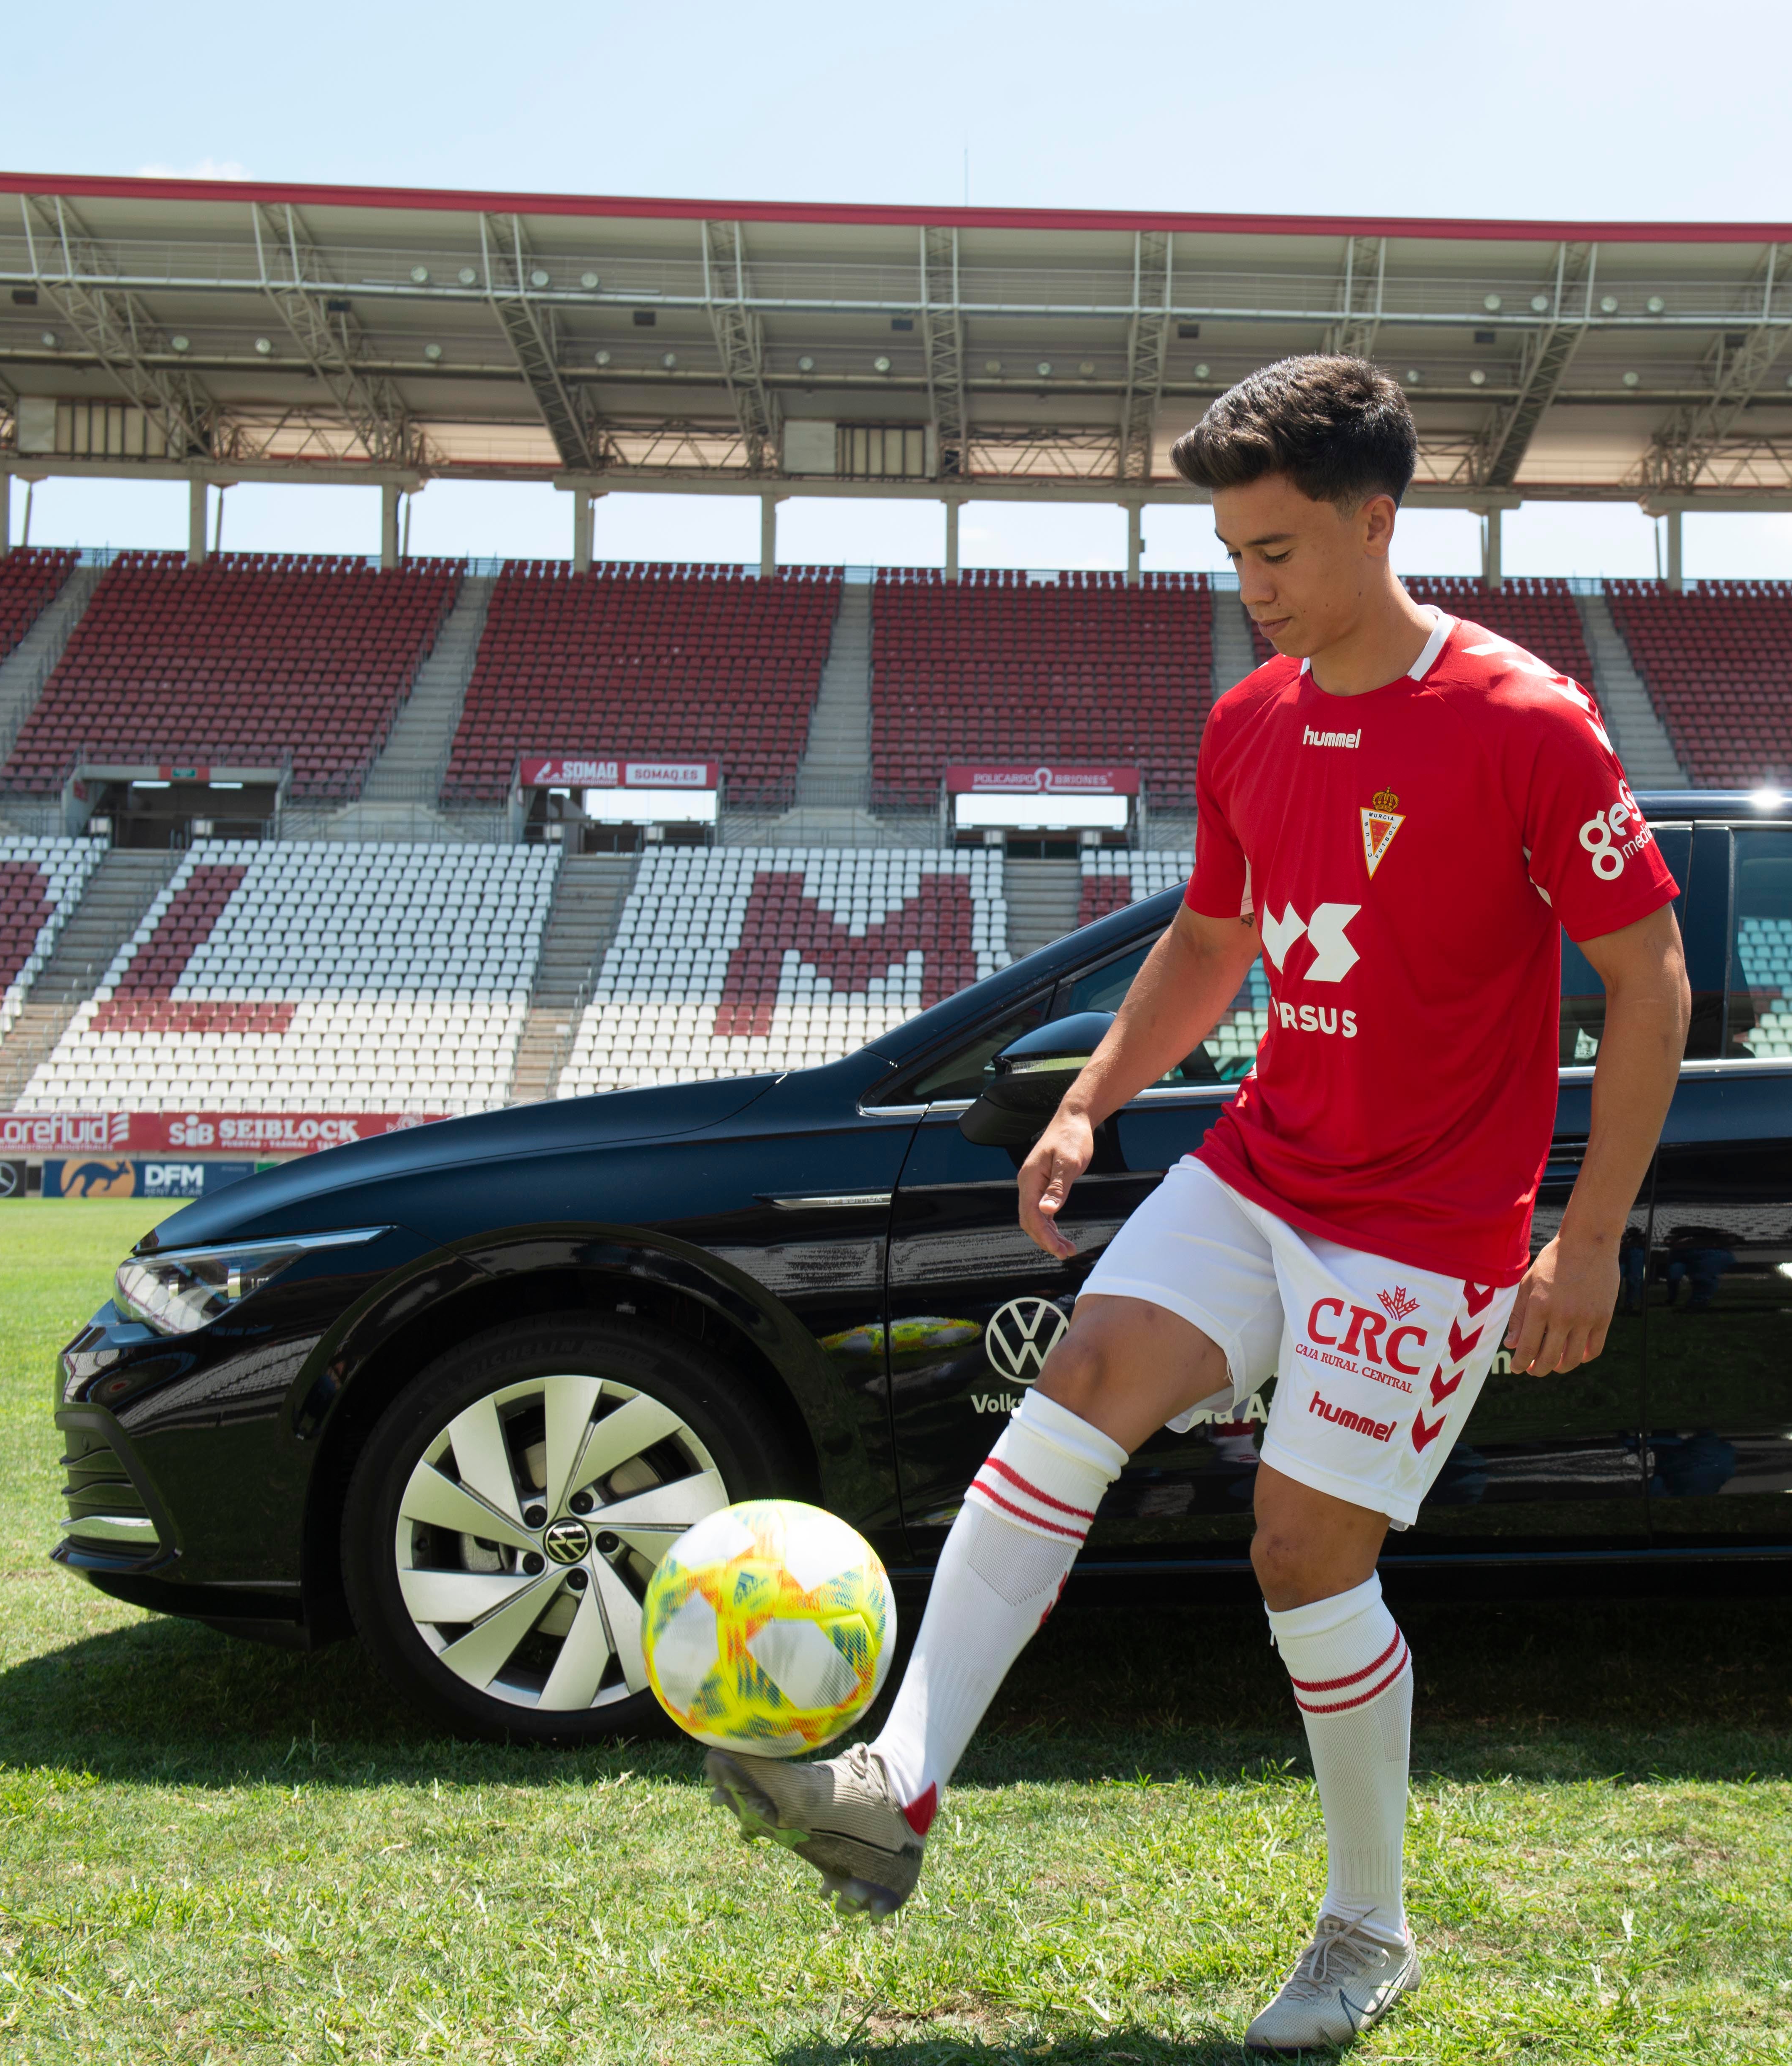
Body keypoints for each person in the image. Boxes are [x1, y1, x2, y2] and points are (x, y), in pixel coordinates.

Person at [710, 355, 1689, 2051]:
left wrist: (1585, 1236)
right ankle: (897, 1787)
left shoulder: (1525, 720)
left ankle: (1367, 1928)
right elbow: (1213, 941)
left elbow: (1649, 977)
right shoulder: (1251, 721)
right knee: (1082, 1375)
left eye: (1278, 551)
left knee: (1302, 1556)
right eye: (1233, 554)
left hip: (1429, 1223)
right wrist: (1089, 1101)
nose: (1253, 588)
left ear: (1376, 522)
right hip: (1261, 1166)